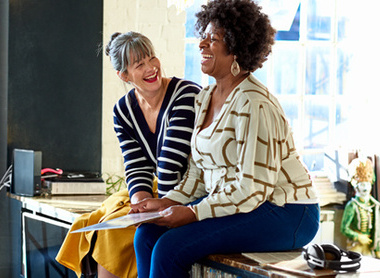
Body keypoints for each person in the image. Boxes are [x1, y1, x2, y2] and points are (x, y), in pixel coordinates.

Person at [131, 1, 320, 277]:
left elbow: (253, 189)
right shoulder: (206, 98)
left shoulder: (254, 104)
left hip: (286, 212)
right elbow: (199, 171)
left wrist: (194, 213)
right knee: (147, 233)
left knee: (170, 247)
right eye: (203, 37)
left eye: (213, 39)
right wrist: (168, 202)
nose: (202, 45)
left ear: (236, 49)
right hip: (249, 203)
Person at [55, 31, 201, 278]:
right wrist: (140, 206)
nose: (151, 68)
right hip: (161, 193)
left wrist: (155, 211)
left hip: (192, 192)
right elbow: (136, 167)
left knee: (133, 233)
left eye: (152, 58)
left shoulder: (185, 94)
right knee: (111, 230)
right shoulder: (122, 110)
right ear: (124, 75)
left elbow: (171, 163)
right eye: (140, 64)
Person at [341, 157, 380, 258]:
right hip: (355, 246)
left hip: (370, 246)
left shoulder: (375, 206)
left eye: (367, 184)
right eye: (362, 185)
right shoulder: (352, 205)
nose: (365, 188)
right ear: (356, 185)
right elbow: (344, 228)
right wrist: (358, 237)